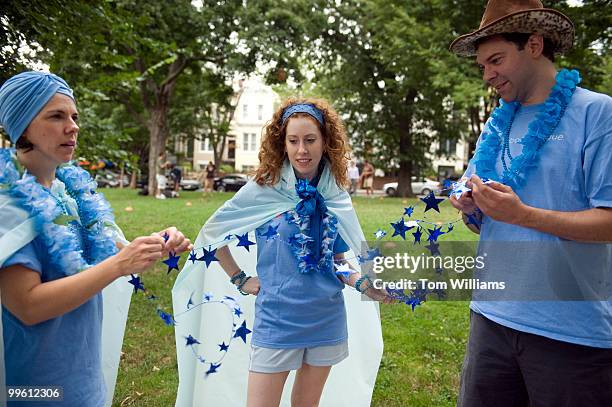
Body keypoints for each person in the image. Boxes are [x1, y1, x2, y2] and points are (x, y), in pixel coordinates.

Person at [172, 98, 392, 407]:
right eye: (294, 141)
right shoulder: (265, 188)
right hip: (277, 320)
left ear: (326, 142)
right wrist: (239, 278)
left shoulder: (334, 193)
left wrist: (365, 284)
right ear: (283, 144)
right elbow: (213, 234)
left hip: (325, 319)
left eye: (310, 140)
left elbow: (339, 263)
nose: (302, 150)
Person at [449, 1, 612, 406]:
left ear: (535, 45)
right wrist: (471, 205)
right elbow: (478, 203)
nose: (487, 75)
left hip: (570, 331)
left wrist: (524, 215)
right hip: (491, 318)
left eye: (496, 60)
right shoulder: (497, 122)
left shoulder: (598, 114)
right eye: (483, 65)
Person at [0, 71, 192, 406]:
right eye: (56, 116)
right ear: (23, 126)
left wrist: (157, 243)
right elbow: (27, 306)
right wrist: (121, 264)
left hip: (82, 374)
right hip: (37, 386)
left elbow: (111, 251)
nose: (72, 126)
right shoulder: (9, 205)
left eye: (74, 116)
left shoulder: (67, 194)